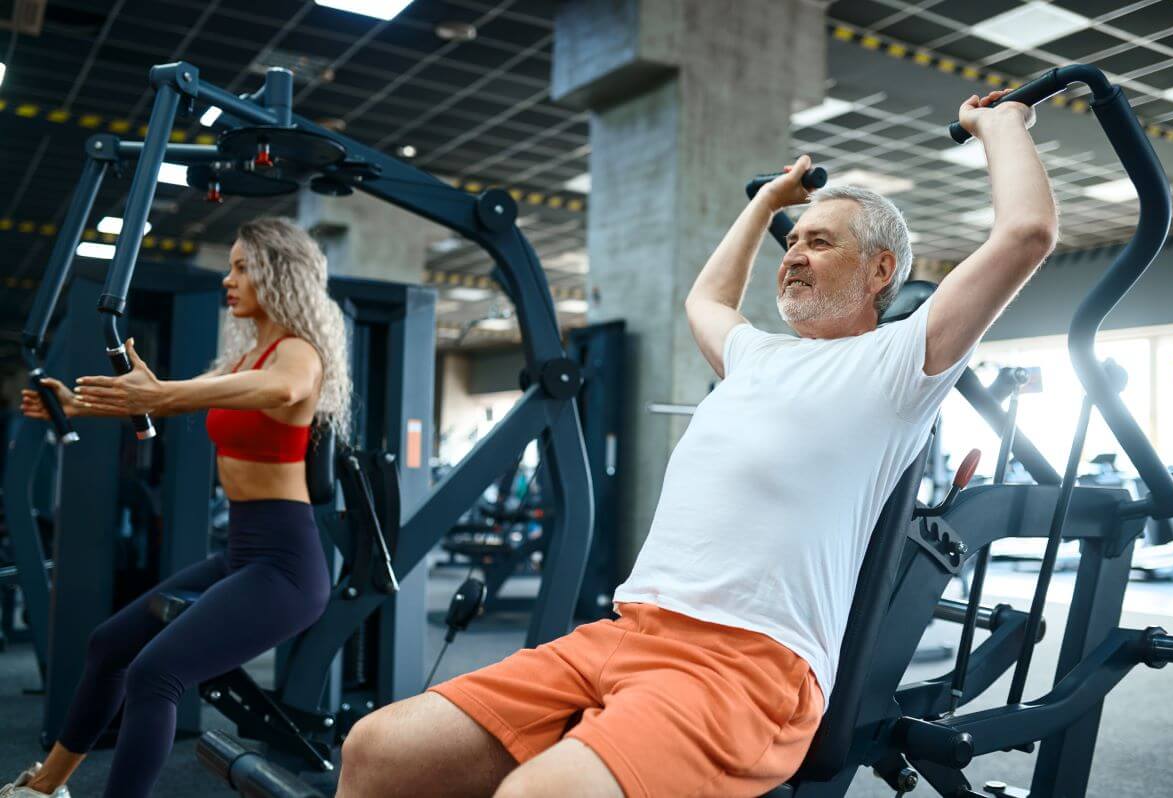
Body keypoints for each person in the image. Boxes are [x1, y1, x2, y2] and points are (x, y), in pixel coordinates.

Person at [333, 88, 1056, 798]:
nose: (794, 255)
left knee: (540, 793)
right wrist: (766, 204)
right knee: (379, 749)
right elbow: (705, 301)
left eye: (820, 240)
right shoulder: (757, 355)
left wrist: (1000, 125)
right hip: (624, 633)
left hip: (748, 664)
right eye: (793, 242)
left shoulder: (902, 364)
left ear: (880, 272)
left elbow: (1025, 234)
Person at [3, 218, 351, 798]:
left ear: (278, 274)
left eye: (243, 267)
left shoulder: (297, 354)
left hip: (285, 566)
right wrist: (82, 406)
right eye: (231, 265)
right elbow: (170, 398)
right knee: (110, 645)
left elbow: (283, 391)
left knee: (155, 674)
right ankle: (44, 788)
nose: (228, 279)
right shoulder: (247, 358)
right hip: (242, 552)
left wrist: (165, 392)